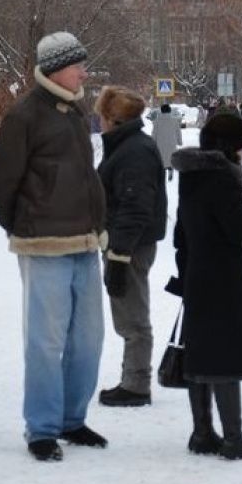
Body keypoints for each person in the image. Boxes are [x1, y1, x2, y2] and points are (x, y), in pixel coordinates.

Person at [0, 31, 108, 462]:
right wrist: (22, 227)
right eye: (79, 66)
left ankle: (72, 420)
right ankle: (41, 428)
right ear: (57, 67)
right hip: (43, 246)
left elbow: (86, 176)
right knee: (45, 341)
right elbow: (0, 183)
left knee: (89, 339)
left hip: (85, 243)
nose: (84, 73)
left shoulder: (74, 113)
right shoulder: (25, 115)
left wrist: (99, 222)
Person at [168, 110, 242, 460]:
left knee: (201, 354)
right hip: (223, 280)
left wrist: (185, 273)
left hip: (197, 278)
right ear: (227, 148)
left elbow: (181, 234)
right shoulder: (224, 181)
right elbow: (239, 231)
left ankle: (202, 433)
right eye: (240, 147)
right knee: (224, 358)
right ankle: (234, 438)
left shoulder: (191, 178)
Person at [94, 86, 167, 408]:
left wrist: (119, 254)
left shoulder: (133, 151)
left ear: (113, 118)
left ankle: (136, 384)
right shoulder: (127, 146)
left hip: (130, 246)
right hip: (127, 243)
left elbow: (136, 206)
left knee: (133, 316)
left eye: (101, 115)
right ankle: (133, 379)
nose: (98, 122)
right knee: (128, 312)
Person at [151, 103, 184, 182]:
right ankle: (170, 169)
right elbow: (178, 132)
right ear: (169, 111)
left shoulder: (156, 121)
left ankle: (162, 173)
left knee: (161, 159)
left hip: (160, 144)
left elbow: (154, 133)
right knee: (170, 159)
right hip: (171, 143)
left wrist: (152, 143)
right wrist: (179, 142)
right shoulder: (174, 120)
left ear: (161, 111)